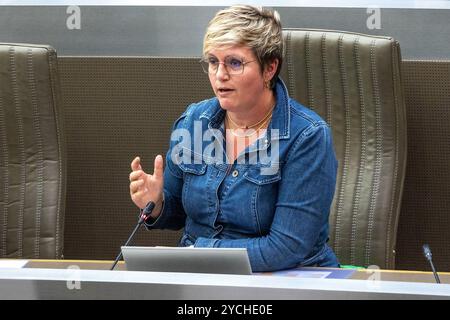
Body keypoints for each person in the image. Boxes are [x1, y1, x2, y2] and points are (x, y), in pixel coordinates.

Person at [129, 5, 339, 272]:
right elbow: (177, 213)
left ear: (269, 68)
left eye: (235, 63)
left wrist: (198, 253)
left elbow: (286, 247)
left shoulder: (307, 137)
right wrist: (157, 203)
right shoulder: (195, 121)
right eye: (213, 62)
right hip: (204, 277)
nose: (220, 75)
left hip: (287, 280)